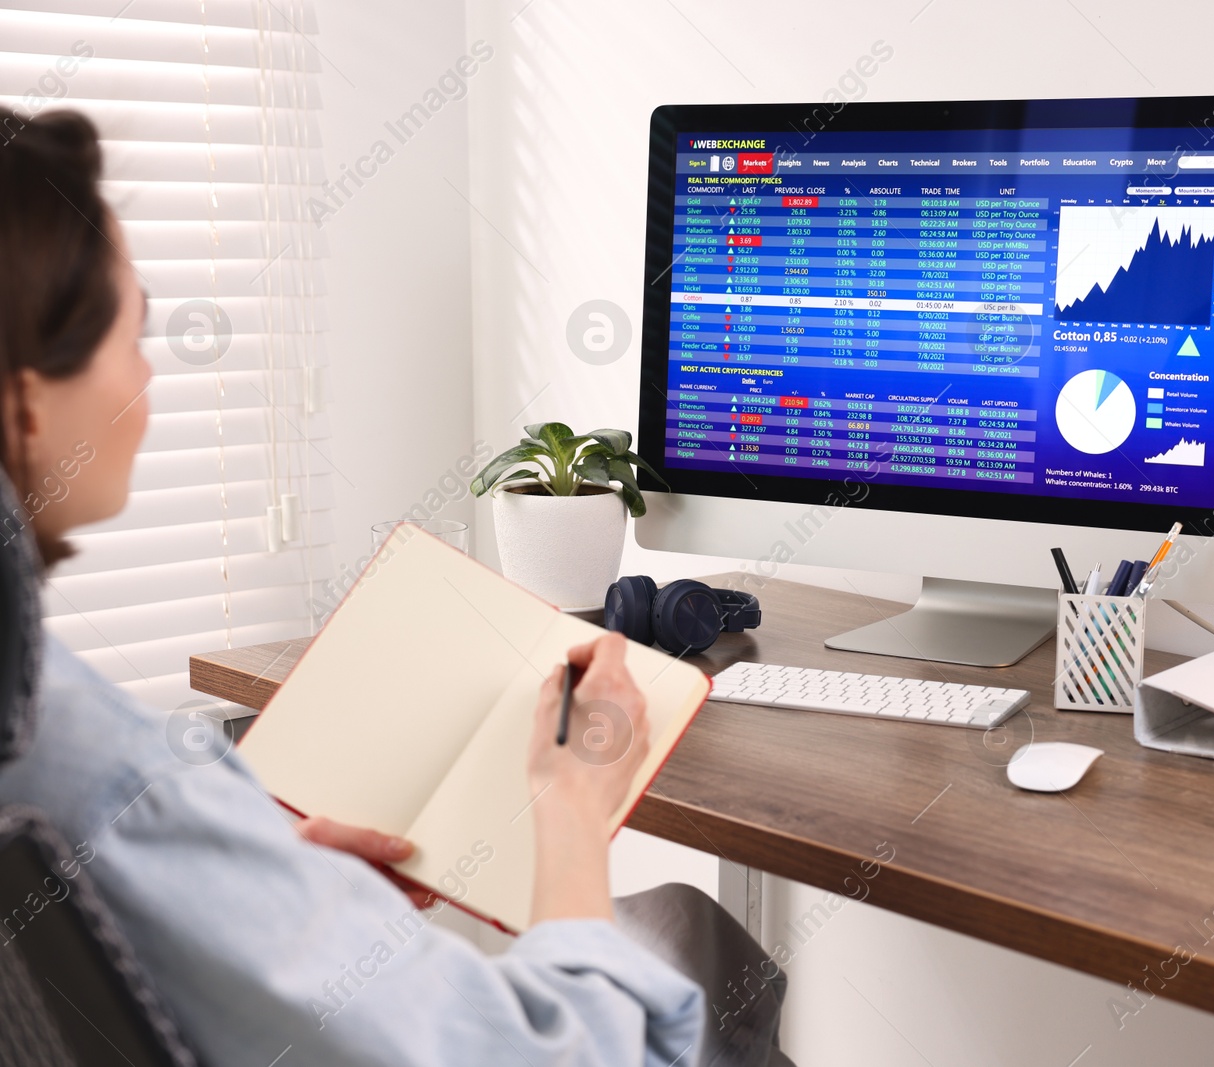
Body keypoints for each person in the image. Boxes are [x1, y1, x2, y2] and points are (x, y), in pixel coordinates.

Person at [0, 108, 789, 1066]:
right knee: (685, 938)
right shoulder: (87, 762)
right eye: (135, 328)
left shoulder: (38, 719)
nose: (149, 370)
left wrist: (278, 890)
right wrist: (574, 812)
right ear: (28, 397)